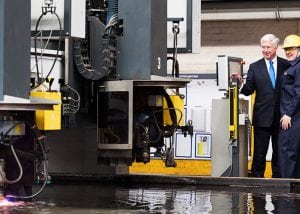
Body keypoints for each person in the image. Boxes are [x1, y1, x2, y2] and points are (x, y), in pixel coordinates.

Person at [232, 34, 290, 178]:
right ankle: (257, 181)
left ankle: (278, 180)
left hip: (281, 118)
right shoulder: (255, 67)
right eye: (263, 47)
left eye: (268, 47)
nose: (265, 50)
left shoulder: (286, 65)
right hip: (261, 118)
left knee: (279, 152)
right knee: (259, 153)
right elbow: (248, 90)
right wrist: (240, 83)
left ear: (276, 48)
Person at [278, 34, 300, 178]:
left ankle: (286, 191)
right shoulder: (292, 66)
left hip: (292, 119)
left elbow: (299, 93)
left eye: (291, 48)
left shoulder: (298, 68)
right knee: (293, 153)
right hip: (293, 118)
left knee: (287, 153)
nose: (288, 52)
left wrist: (288, 114)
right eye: (286, 49)